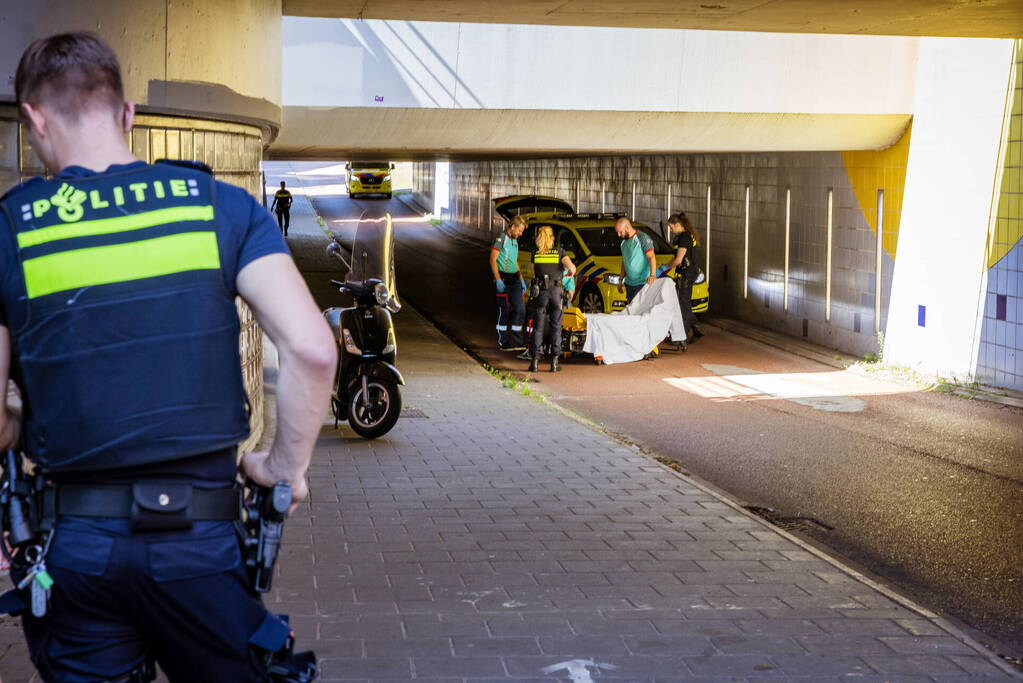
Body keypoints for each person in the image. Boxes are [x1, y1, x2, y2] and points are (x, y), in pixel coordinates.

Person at [0, 32, 336, 681]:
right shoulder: (220, 208)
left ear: (33, 120)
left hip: (77, 548)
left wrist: (18, 429)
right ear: (127, 114)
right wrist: (281, 466)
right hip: (201, 547)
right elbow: (313, 349)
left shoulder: (14, 226)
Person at [528, 226, 575, 372]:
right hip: (556, 292)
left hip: (540, 292)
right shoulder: (560, 252)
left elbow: (533, 272)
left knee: (538, 327)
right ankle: (554, 363)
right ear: (552, 238)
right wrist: (567, 275)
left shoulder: (535, 253)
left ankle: (534, 362)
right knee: (556, 326)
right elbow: (572, 269)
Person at [658, 212, 704, 343]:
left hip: (686, 274)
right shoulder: (687, 236)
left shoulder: (684, 238)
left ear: (677, 224)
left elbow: (678, 260)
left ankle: (681, 336)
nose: (671, 231)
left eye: (671, 228)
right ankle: (695, 329)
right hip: (688, 272)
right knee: (683, 302)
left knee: (682, 304)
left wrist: (664, 268)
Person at [490, 215, 526, 351]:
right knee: (503, 310)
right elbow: (492, 260)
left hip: (515, 279)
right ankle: (503, 341)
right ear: (513, 227)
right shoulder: (501, 239)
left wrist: (521, 278)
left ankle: (517, 341)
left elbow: (514, 261)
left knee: (520, 309)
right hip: (503, 279)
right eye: (520, 230)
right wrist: (498, 279)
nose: (520, 234)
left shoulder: (514, 241)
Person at [614, 217, 656, 304]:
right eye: (617, 232)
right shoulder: (623, 241)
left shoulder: (642, 238)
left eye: (620, 232)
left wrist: (652, 275)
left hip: (642, 283)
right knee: (632, 313)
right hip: (629, 284)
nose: (618, 235)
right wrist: (620, 279)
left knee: (640, 312)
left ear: (627, 228)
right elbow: (625, 261)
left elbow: (652, 257)